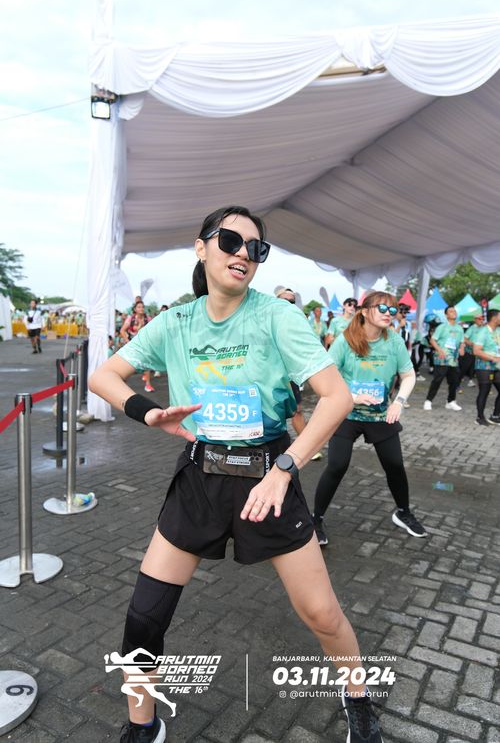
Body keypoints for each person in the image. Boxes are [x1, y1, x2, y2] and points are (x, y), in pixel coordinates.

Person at [89, 206, 384, 743]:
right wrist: (148, 413)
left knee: (322, 614)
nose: (243, 253)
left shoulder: (276, 317)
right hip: (199, 479)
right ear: (201, 247)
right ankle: (142, 726)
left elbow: (336, 397)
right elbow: (104, 375)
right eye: (230, 240)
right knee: (144, 617)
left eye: (256, 247)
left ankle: (358, 697)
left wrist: (286, 469)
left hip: (268, 478)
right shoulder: (176, 322)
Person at [312, 290, 427, 546]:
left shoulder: (394, 341)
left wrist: (398, 402)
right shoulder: (345, 340)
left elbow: (408, 375)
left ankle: (403, 512)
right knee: (337, 465)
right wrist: (352, 397)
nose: (389, 314)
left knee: (395, 464)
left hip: (380, 415)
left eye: (392, 310)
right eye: (382, 309)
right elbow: (325, 379)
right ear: (365, 311)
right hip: (346, 413)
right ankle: (315, 519)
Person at [275, 287, 322, 460]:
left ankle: (306, 449)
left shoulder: (297, 321)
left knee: (297, 410)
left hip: (290, 373)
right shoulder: (266, 319)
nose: (289, 304)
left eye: (292, 301)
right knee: (273, 412)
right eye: (285, 300)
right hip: (270, 376)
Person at [423, 306, 465, 411]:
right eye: (451, 311)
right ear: (446, 315)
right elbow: (432, 340)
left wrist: (461, 348)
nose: (453, 312)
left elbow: (462, 341)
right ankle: (428, 401)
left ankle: (450, 401)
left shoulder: (459, 328)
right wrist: (439, 350)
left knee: (454, 381)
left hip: (454, 360)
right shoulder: (442, 327)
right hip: (442, 358)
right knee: (437, 380)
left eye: (454, 311)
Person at [472, 309, 500, 426]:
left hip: (497, 366)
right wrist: (492, 358)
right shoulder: (482, 332)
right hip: (484, 366)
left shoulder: (498, 331)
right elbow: (476, 351)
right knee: (485, 391)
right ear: (494, 318)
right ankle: (480, 417)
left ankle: (495, 416)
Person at [120, 301, 155, 392]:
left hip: (144, 343)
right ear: (135, 309)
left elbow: (153, 329)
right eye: (139, 307)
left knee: (147, 363)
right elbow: (122, 330)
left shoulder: (147, 318)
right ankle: (123, 385)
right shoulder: (130, 318)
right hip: (133, 343)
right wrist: (127, 341)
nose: (141, 309)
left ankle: (148, 384)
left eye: (142, 307)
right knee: (129, 364)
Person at [458, 313, 484, 389]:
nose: (481, 320)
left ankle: (470, 380)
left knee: (473, 367)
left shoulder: (483, 328)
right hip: (469, 352)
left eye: (482, 319)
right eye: (479, 319)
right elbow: (464, 339)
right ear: (475, 320)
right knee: (464, 368)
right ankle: (457, 383)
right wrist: (472, 344)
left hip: (478, 352)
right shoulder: (472, 328)